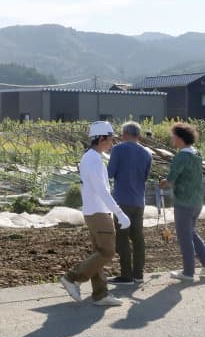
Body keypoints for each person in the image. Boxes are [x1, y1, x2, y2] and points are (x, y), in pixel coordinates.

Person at [60, 121, 131, 306]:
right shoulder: (93, 160)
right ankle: (71, 277)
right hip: (99, 212)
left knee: (98, 253)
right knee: (107, 252)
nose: (112, 143)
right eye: (110, 139)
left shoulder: (92, 158)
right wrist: (119, 212)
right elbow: (102, 191)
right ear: (100, 138)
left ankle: (100, 294)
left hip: (94, 211)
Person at [160, 122, 205, 281]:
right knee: (191, 232)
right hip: (197, 201)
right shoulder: (197, 154)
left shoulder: (181, 156)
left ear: (179, 138)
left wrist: (163, 182)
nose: (172, 139)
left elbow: (171, 180)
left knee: (184, 237)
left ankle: (188, 272)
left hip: (183, 202)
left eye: (173, 136)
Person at [107, 121, 152, 284]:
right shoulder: (147, 153)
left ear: (124, 134)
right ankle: (138, 274)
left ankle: (126, 275)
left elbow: (110, 173)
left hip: (122, 201)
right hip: (139, 201)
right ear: (138, 135)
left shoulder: (118, 149)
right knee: (138, 237)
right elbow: (145, 177)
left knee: (122, 238)